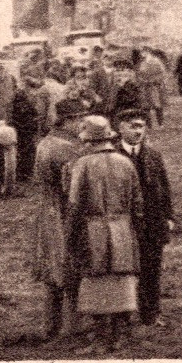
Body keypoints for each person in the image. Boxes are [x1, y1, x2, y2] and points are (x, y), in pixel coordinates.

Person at [64, 115, 144, 348]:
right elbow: (137, 203)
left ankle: (100, 337)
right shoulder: (125, 163)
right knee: (121, 280)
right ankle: (119, 336)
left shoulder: (83, 165)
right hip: (122, 230)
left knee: (95, 281)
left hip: (93, 231)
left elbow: (74, 205)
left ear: (88, 141)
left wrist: (71, 236)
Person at [114, 108, 174, 327]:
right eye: (132, 126)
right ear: (120, 128)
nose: (138, 131)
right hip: (124, 221)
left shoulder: (153, 154)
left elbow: (164, 188)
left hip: (151, 221)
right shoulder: (113, 155)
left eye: (141, 126)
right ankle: (124, 313)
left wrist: (168, 216)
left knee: (152, 268)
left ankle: (151, 313)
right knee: (124, 268)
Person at [31, 100, 86, 341]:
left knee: (53, 275)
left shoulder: (45, 143)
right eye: (79, 120)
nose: (82, 125)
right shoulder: (67, 148)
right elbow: (72, 189)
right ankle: (72, 328)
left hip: (47, 212)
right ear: (68, 120)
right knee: (71, 269)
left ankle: (50, 327)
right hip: (64, 213)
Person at [136, 49, 169, 127]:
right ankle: (149, 125)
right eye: (142, 52)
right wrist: (141, 80)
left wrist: (154, 80)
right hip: (144, 86)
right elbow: (139, 74)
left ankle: (160, 124)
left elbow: (162, 73)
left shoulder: (156, 61)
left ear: (149, 52)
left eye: (144, 51)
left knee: (157, 105)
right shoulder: (142, 63)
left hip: (154, 86)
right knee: (146, 106)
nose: (142, 54)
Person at [0, 117, 20, 197]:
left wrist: (0, 142)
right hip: (12, 148)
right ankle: (12, 186)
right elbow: (15, 141)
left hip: (6, 149)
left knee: (6, 169)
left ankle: (6, 189)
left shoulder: (0, 130)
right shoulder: (11, 129)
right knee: (12, 168)